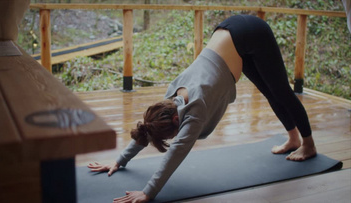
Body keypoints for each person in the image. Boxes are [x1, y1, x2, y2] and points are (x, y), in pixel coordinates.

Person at [88, 14, 317, 203]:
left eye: (173, 135)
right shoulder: (168, 101)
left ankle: (308, 145)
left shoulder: (194, 112)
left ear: (176, 123)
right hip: (230, 37)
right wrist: (119, 161)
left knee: (282, 92)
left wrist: (148, 192)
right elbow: (146, 129)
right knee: (270, 92)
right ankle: (293, 139)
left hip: (250, 32)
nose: (175, 138)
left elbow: (174, 156)